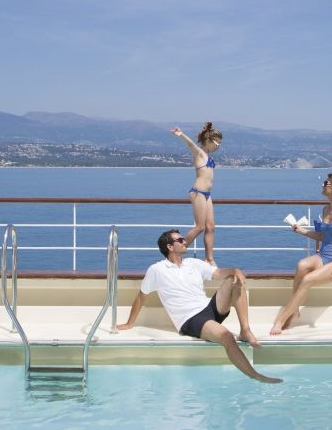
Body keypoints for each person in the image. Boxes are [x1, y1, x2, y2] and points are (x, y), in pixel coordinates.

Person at [117, 229, 281, 383]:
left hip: (209, 308)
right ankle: (256, 376)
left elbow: (217, 273)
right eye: (180, 240)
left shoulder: (193, 263)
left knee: (233, 279)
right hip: (191, 319)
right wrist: (130, 323)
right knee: (227, 337)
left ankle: (245, 330)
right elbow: (141, 296)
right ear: (169, 246)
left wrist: (235, 270)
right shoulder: (157, 270)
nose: (184, 241)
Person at [270, 173, 332, 335]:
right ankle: (294, 310)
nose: (323, 185)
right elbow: (323, 236)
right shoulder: (326, 209)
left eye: (326, 183)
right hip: (323, 256)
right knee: (301, 265)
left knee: (307, 279)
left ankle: (282, 319)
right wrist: (302, 231)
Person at [172, 123, 222, 265]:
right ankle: (176, 253)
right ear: (208, 140)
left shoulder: (208, 156)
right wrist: (181, 134)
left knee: (210, 226)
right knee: (200, 227)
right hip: (198, 192)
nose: (218, 145)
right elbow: (191, 145)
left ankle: (209, 259)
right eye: (217, 142)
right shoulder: (200, 153)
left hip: (207, 194)